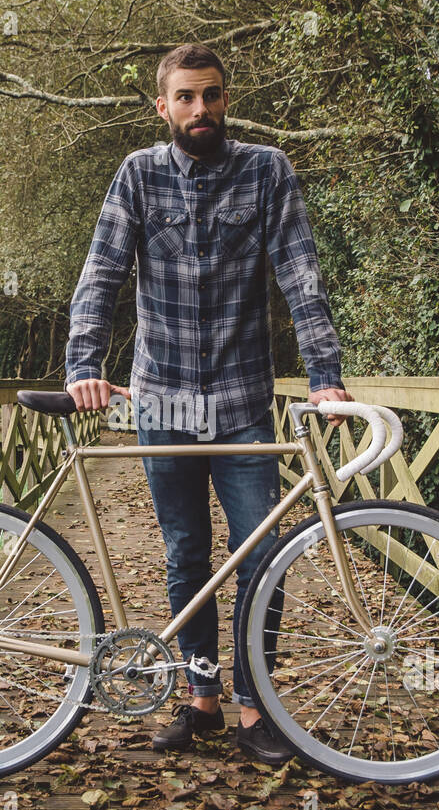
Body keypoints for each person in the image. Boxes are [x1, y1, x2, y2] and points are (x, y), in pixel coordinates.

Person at [64, 42, 353, 764]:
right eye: (186, 97)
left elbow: (300, 274)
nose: (201, 109)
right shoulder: (137, 176)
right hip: (162, 401)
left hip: (243, 399)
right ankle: (201, 701)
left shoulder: (266, 171)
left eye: (212, 95)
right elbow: (101, 274)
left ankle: (257, 706)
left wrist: (325, 373)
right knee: (186, 553)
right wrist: (82, 365)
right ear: (162, 105)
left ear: (226, 99)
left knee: (262, 552)